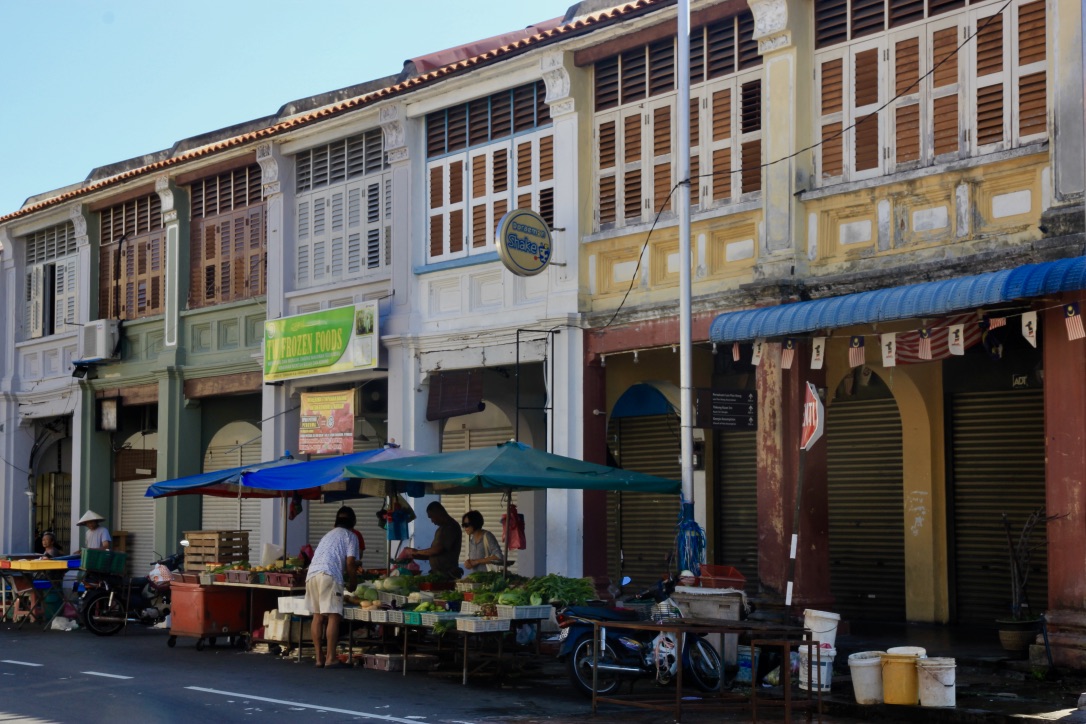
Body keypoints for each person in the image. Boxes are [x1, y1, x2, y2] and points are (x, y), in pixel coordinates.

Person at [304, 506, 358, 669]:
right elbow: (350, 562)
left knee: (318, 616)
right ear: (353, 522)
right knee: (334, 615)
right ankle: (331, 658)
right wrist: (353, 580)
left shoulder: (328, 535)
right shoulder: (350, 536)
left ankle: (319, 658)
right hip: (330, 574)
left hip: (312, 575)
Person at [402, 501, 462, 579]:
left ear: (439, 513)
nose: (432, 521)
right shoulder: (441, 529)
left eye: (431, 517)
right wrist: (413, 555)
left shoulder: (450, 527)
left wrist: (416, 551)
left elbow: (437, 550)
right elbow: (432, 554)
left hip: (447, 574)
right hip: (438, 573)